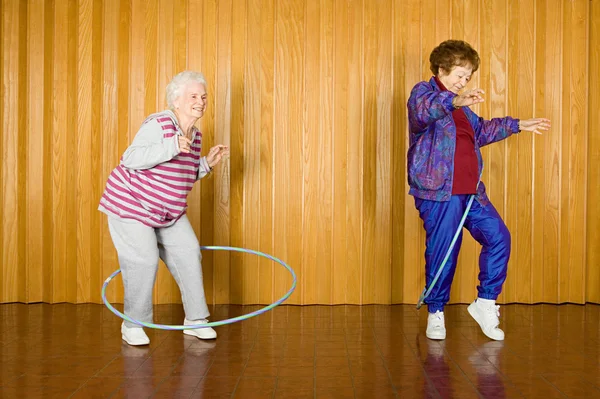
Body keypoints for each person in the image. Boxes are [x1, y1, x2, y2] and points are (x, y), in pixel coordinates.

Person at [407, 40, 550, 341]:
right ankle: (436, 312)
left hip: (471, 192)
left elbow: (482, 131)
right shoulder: (424, 94)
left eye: (468, 77)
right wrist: (455, 100)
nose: (463, 82)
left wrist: (518, 124)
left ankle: (485, 303)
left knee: (499, 237)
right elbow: (425, 112)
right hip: (438, 192)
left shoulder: (465, 111)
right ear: (442, 69)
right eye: (460, 75)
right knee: (445, 252)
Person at [99, 71, 229, 346]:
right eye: (193, 96)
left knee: (189, 251)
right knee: (144, 260)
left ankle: (195, 321)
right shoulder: (159, 124)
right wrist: (170, 145)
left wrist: (206, 163)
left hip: (166, 211)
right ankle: (133, 324)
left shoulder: (195, 135)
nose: (201, 101)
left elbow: (179, 176)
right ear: (176, 101)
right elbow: (131, 157)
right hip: (132, 205)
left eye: (203, 96)